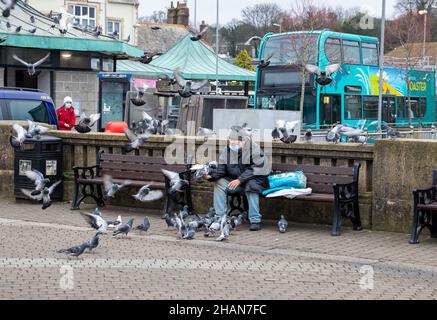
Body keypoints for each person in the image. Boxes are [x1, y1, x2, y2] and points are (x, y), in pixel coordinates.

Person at [204, 128, 271, 231]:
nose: (232, 143)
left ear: (243, 141)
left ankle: (255, 220)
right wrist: (211, 176)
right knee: (219, 182)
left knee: (251, 185)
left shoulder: (254, 149)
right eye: (230, 140)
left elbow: (257, 168)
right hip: (237, 182)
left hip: (257, 180)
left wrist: (240, 179)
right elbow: (222, 169)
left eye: (235, 141)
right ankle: (220, 217)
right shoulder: (227, 150)